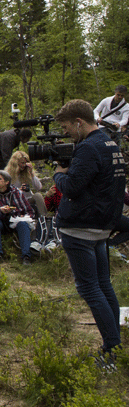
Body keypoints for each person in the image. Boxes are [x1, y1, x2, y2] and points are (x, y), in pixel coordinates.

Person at [53, 99, 127, 367]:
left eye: (66, 127)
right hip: (101, 225)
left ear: (79, 122)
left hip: (81, 226)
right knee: (104, 285)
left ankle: (111, 350)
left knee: (90, 289)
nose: (66, 133)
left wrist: (58, 174)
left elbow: (72, 186)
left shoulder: (88, 148)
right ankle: (115, 343)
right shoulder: (110, 143)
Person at [0, 170, 35, 265]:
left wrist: (22, 216)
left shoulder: (17, 193)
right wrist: (0, 211)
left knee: (23, 224)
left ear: (7, 182)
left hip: (16, 221)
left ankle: (26, 256)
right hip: (1, 222)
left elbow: (30, 211)